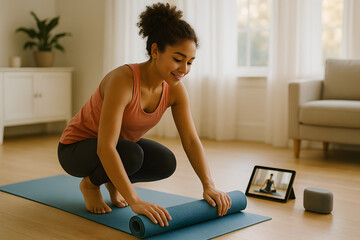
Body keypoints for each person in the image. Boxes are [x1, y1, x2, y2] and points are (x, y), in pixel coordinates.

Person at [57, 3, 231, 228]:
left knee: (165, 162)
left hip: (118, 147)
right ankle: (90, 185)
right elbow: (105, 147)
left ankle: (111, 180)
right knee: (132, 154)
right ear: (155, 51)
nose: (184, 69)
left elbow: (190, 140)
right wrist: (135, 200)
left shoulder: (175, 90)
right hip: (75, 149)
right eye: (178, 59)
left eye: (190, 62)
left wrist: (209, 185)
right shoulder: (123, 80)